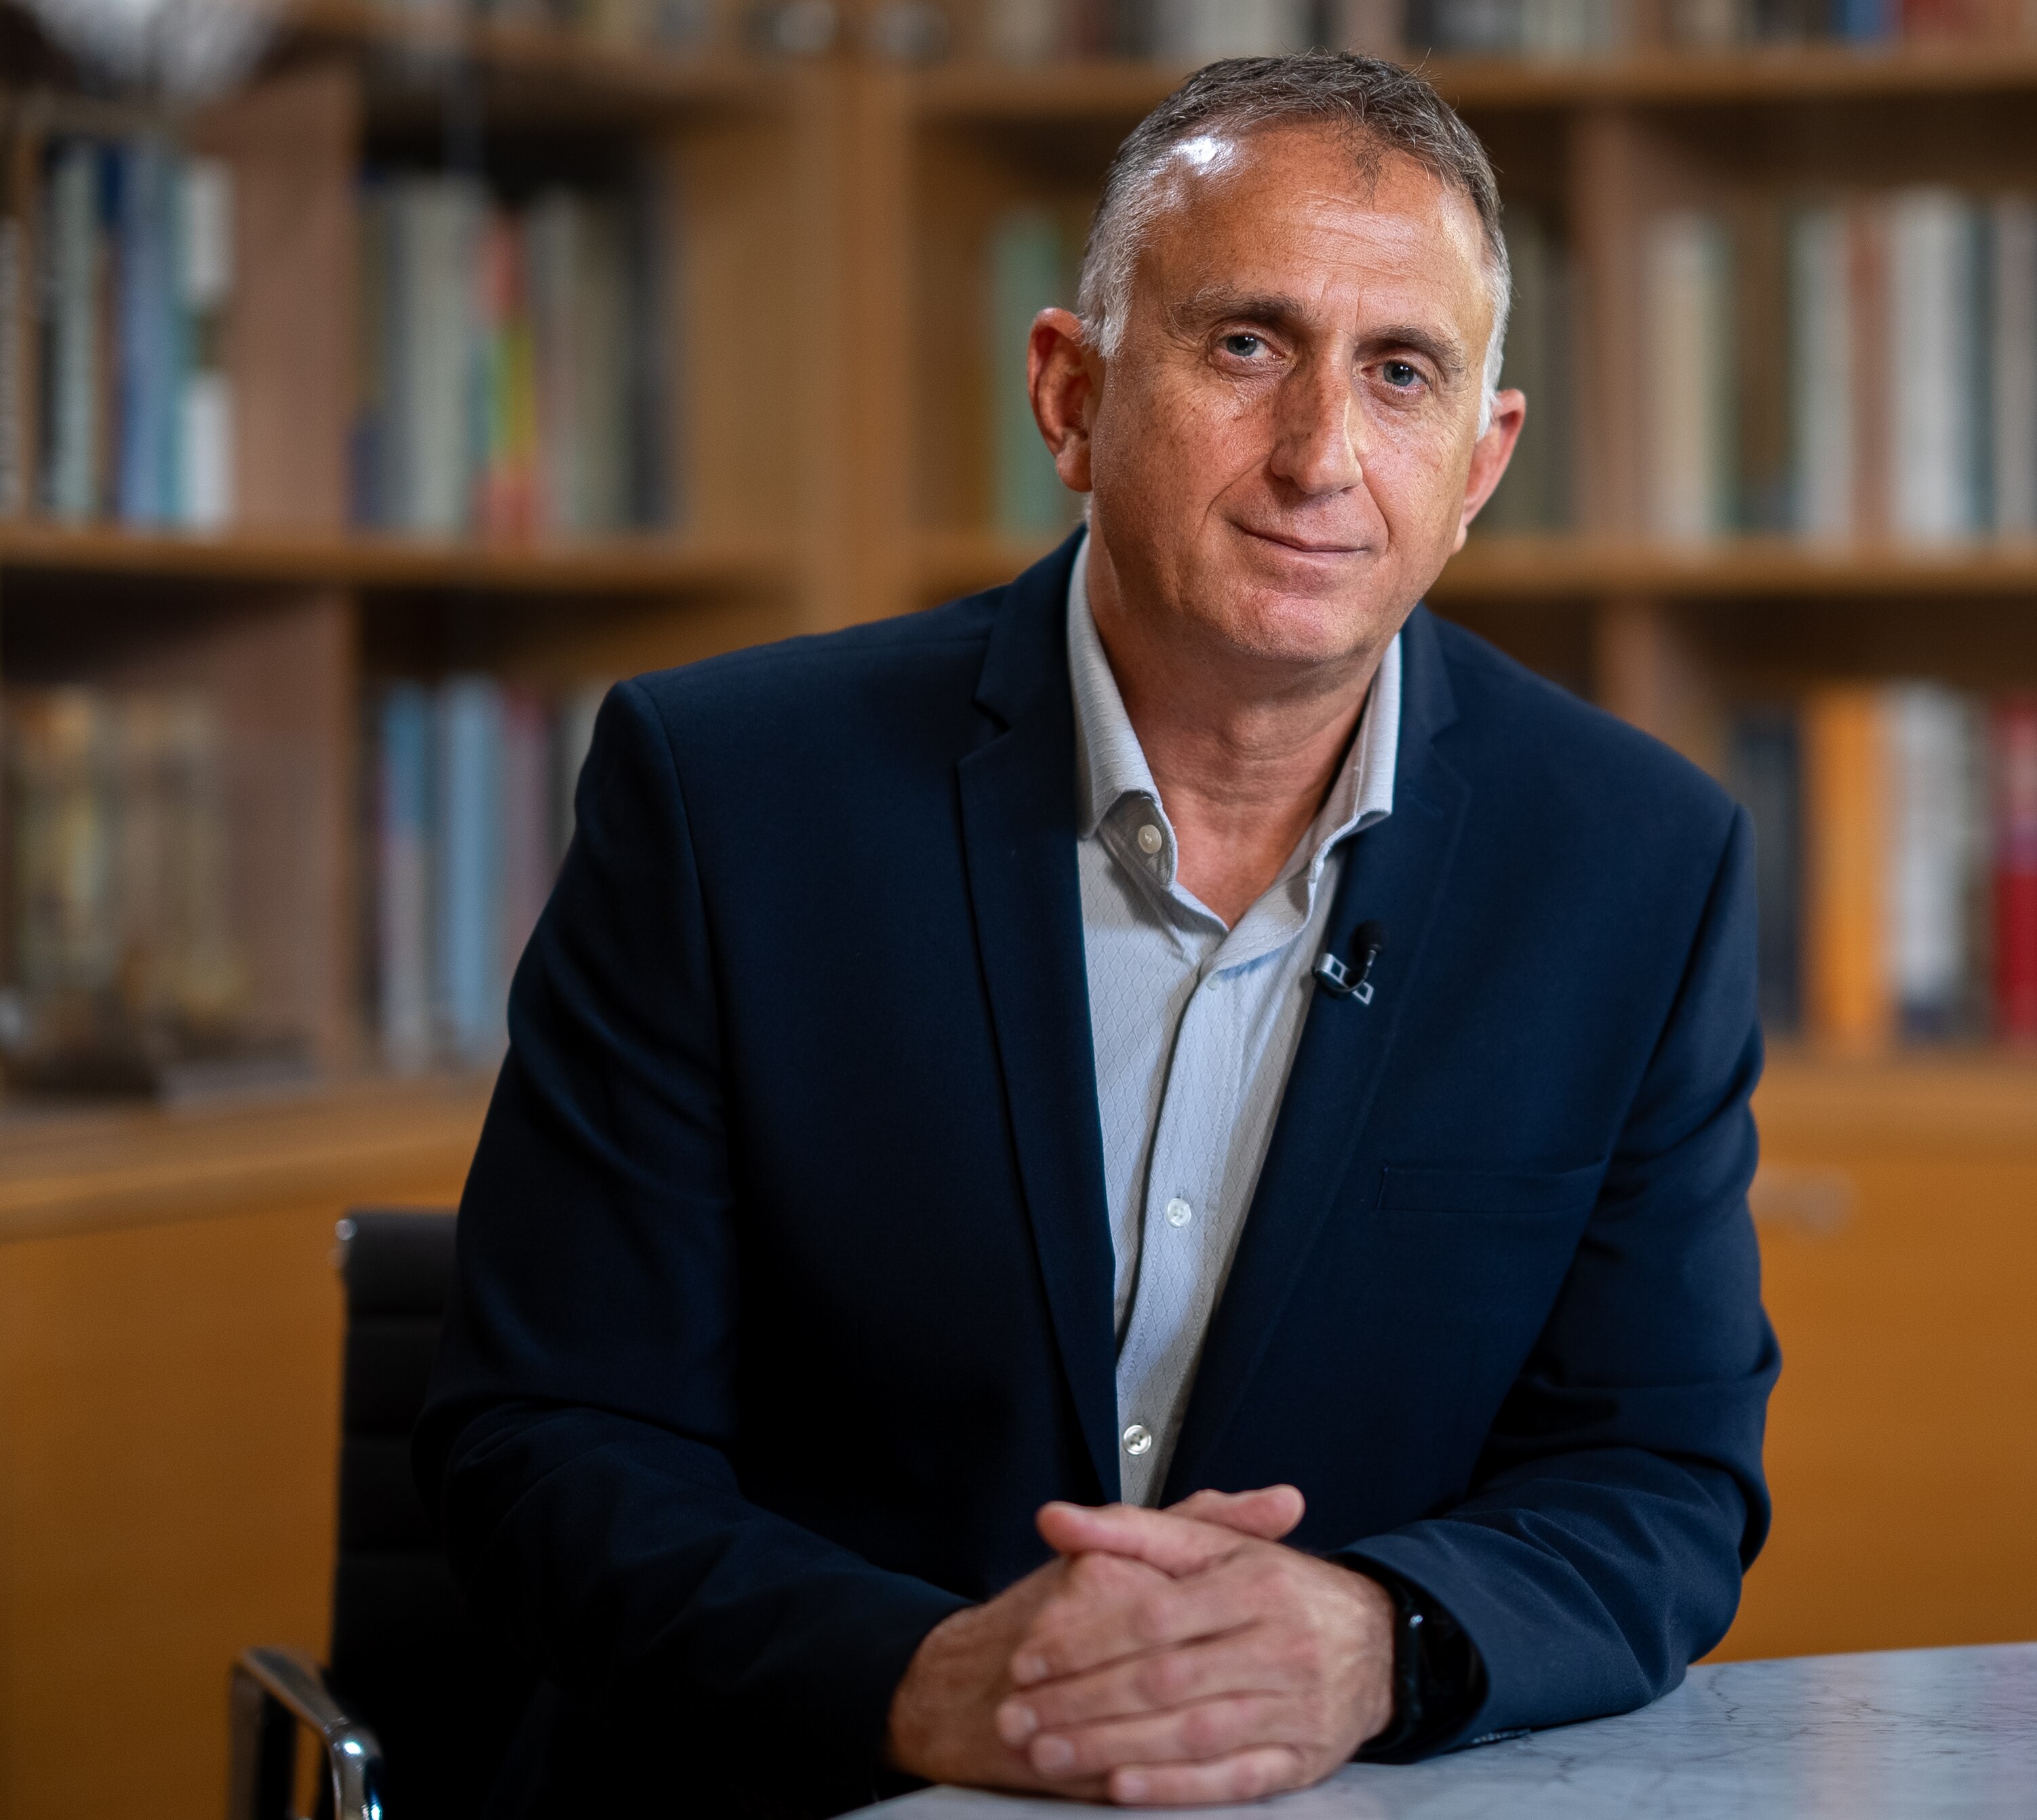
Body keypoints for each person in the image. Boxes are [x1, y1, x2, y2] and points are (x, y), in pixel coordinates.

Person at [417, 50, 1777, 1818]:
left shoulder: (1636, 864)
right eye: (1242, 345)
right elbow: (543, 1437)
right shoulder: (728, 798)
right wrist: (929, 1678)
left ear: (1477, 461)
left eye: (1399, 374)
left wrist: (1374, 1631)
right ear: (1068, 392)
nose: (1317, 454)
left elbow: (1658, 1472)